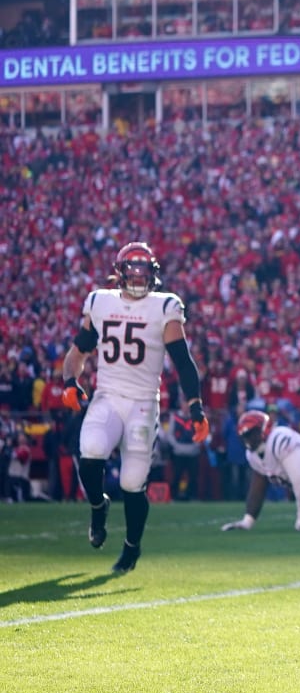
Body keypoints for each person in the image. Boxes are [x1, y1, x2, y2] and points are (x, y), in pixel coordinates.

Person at [61, 242, 211, 574]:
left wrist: (196, 408)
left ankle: (131, 547)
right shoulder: (100, 301)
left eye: (145, 270)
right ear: (120, 273)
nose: (139, 277)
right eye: (133, 270)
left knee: (132, 481)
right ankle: (98, 507)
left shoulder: (164, 306)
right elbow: (79, 350)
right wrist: (69, 380)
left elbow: (183, 363)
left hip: (144, 402)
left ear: (153, 274)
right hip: (108, 395)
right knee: (91, 448)